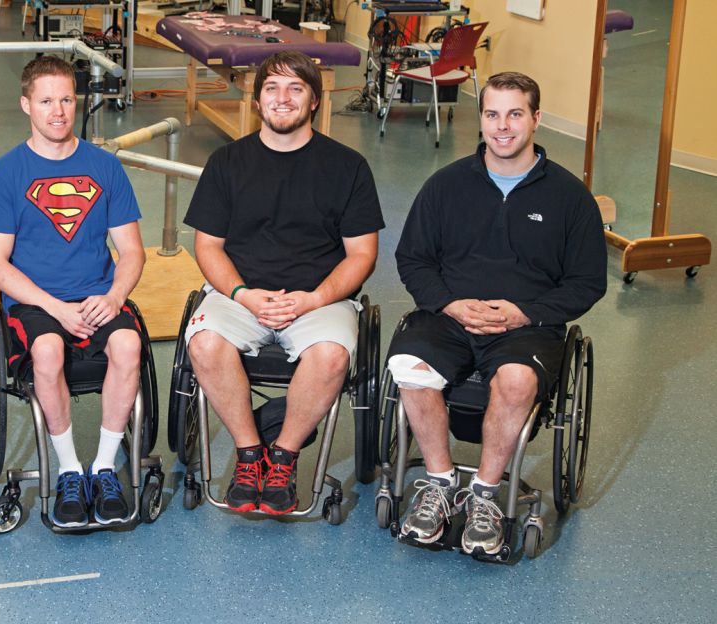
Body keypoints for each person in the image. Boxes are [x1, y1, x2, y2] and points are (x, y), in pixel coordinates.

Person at [389, 72, 607, 555]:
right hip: (449, 317)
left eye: (514, 114)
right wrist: (448, 302)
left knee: (516, 383)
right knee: (409, 367)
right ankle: (442, 485)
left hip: (525, 328)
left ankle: (485, 496)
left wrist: (524, 313)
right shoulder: (445, 186)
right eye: (492, 114)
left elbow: (588, 282)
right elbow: (413, 258)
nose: (502, 127)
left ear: (536, 118)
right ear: (481, 119)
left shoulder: (570, 198)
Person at [183, 50, 384, 515]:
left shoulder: (347, 168)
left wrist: (314, 298)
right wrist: (242, 294)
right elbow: (208, 246)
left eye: (296, 88)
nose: (283, 98)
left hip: (318, 299)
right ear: (257, 102)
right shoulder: (227, 162)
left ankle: (285, 456)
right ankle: (250, 453)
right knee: (205, 344)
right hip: (241, 294)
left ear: (314, 100)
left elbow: (362, 255)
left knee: (332, 355)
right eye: (271, 88)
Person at [0, 56, 146, 529]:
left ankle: (106, 466)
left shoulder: (104, 167)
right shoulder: (7, 172)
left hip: (97, 294)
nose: (58, 111)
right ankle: (71, 469)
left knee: (129, 344)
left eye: (67, 99)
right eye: (46, 100)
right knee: (48, 351)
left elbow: (131, 251)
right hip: (36, 301)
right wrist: (54, 307)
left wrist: (114, 297)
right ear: (26, 105)